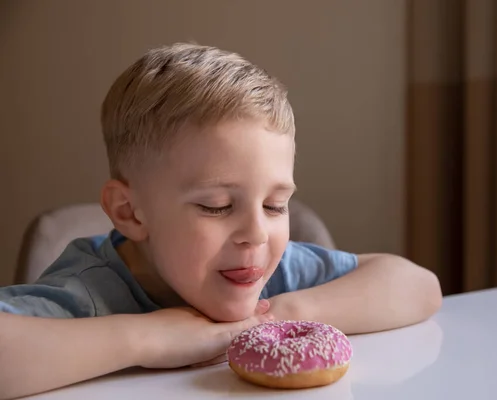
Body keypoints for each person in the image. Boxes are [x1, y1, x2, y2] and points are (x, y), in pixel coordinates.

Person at [0, 43, 442, 399]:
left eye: (275, 206)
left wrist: (282, 318)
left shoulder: (269, 277)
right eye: (215, 206)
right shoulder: (90, 293)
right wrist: (148, 338)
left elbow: (419, 286)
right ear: (129, 212)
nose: (256, 234)